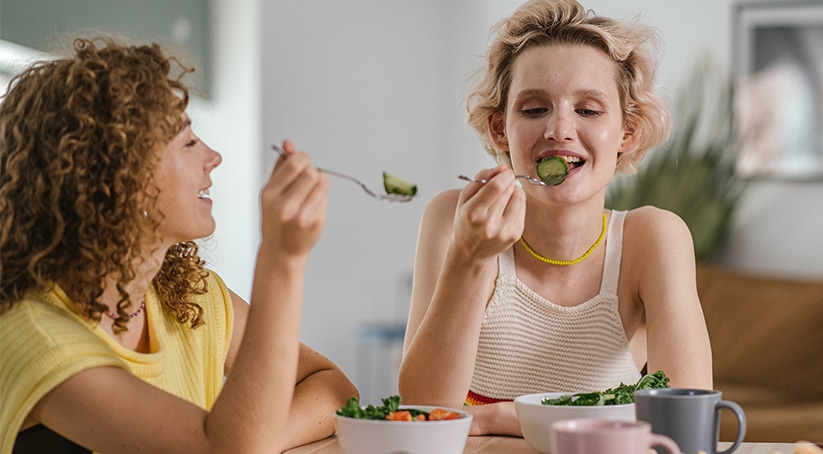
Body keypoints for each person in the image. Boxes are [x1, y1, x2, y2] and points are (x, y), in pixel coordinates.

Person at [0, 37, 357, 453]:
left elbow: (333, 388)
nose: (214, 156)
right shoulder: (31, 333)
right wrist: (283, 258)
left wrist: (260, 437)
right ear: (116, 179)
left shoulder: (190, 295)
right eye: (188, 142)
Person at [399, 0, 713, 436]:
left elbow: (686, 420)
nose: (559, 130)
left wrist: (501, 418)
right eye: (533, 109)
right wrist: (470, 258)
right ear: (498, 129)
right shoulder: (454, 219)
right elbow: (422, 411)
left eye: (587, 110)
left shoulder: (653, 238)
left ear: (628, 131)